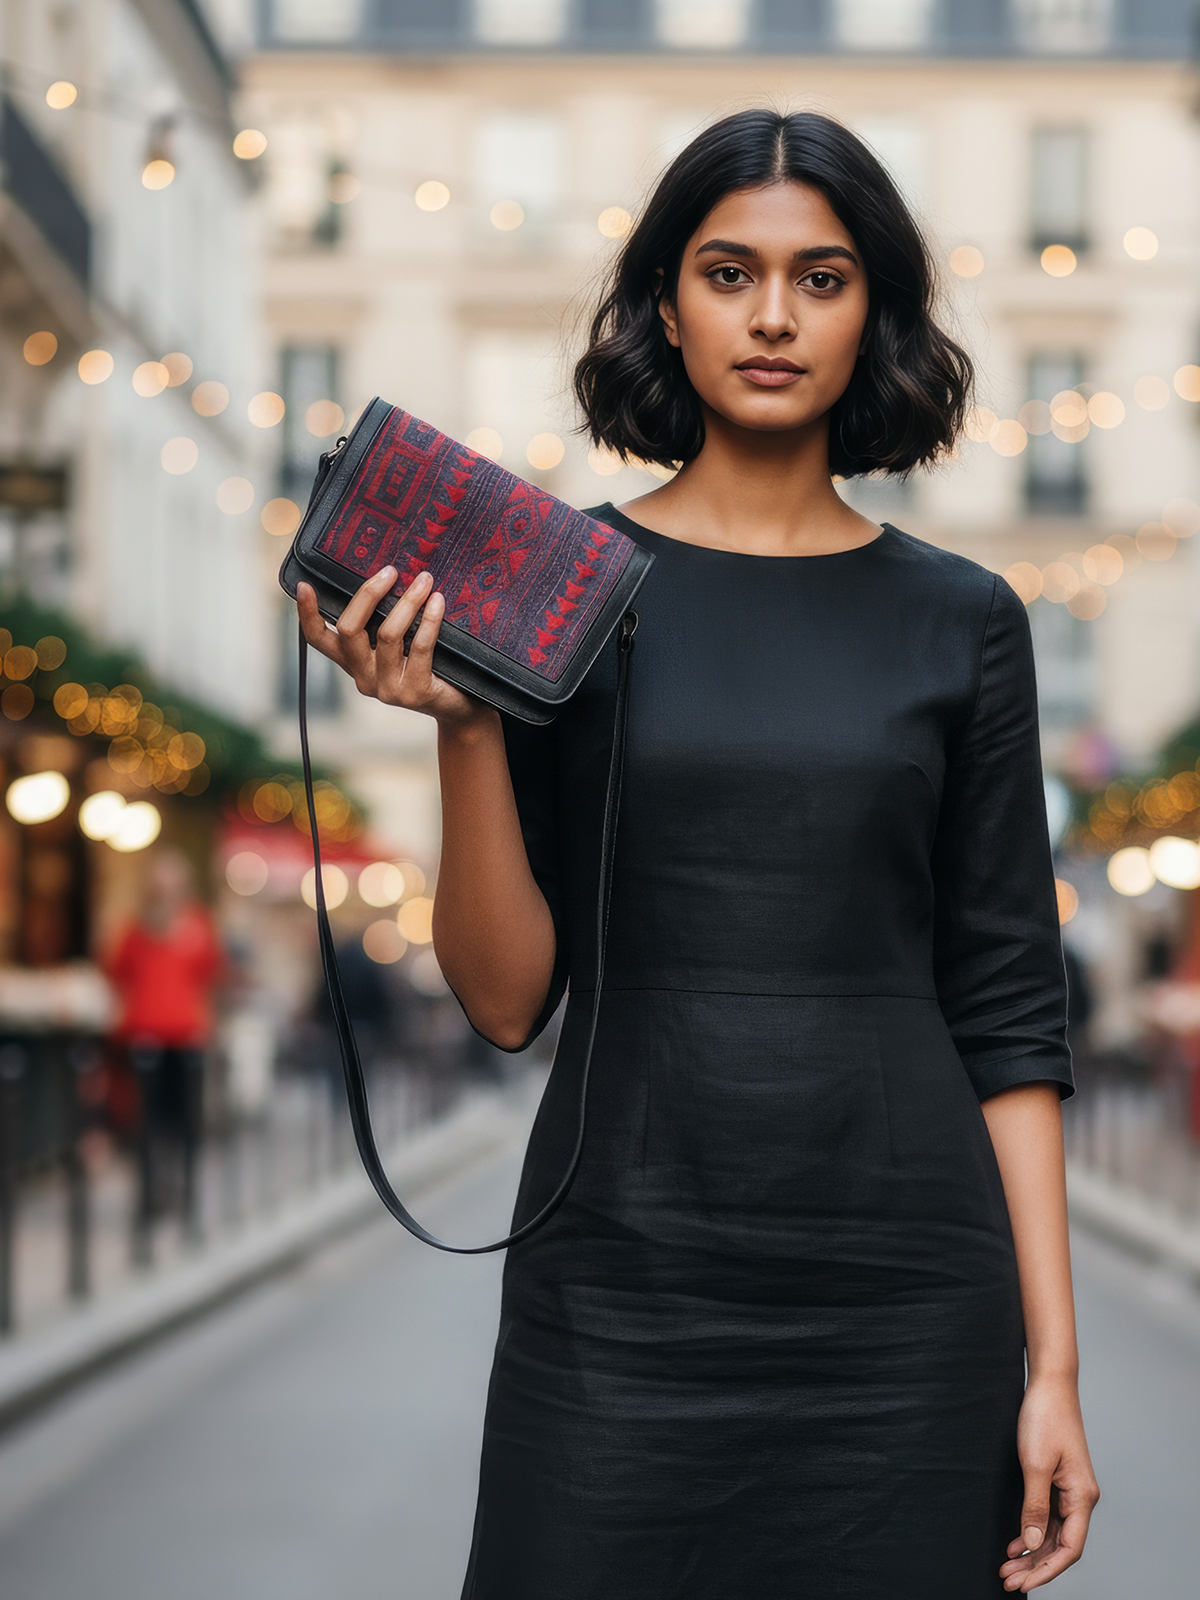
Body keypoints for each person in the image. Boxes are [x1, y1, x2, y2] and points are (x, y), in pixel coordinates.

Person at [297, 109, 1099, 1599]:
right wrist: (466, 723)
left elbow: (1005, 1001)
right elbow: (505, 1001)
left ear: (879, 310)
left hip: (909, 1300)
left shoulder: (967, 616)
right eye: (731, 272)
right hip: (618, 1285)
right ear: (667, 301)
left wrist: (1052, 1366)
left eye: (824, 276)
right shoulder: (560, 582)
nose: (777, 315)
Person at [107, 846, 224, 1242]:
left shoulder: (197, 924)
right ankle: (149, 1198)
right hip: (145, 1036)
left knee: (186, 1122)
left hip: (187, 1036)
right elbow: (117, 972)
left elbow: (210, 973)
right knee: (146, 1123)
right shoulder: (135, 929)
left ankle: (185, 1198)